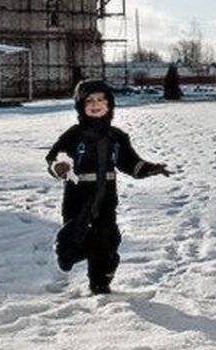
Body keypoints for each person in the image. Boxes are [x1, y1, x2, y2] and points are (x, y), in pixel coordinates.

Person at [45, 78, 170, 294]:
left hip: (106, 199)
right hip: (78, 196)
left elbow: (130, 163)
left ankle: (100, 282)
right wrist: (59, 166)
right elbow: (55, 156)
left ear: (109, 104)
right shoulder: (74, 134)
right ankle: (67, 253)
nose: (96, 104)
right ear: (81, 106)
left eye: (101, 100)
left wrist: (150, 169)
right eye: (89, 100)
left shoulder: (117, 137)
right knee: (77, 235)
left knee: (107, 239)